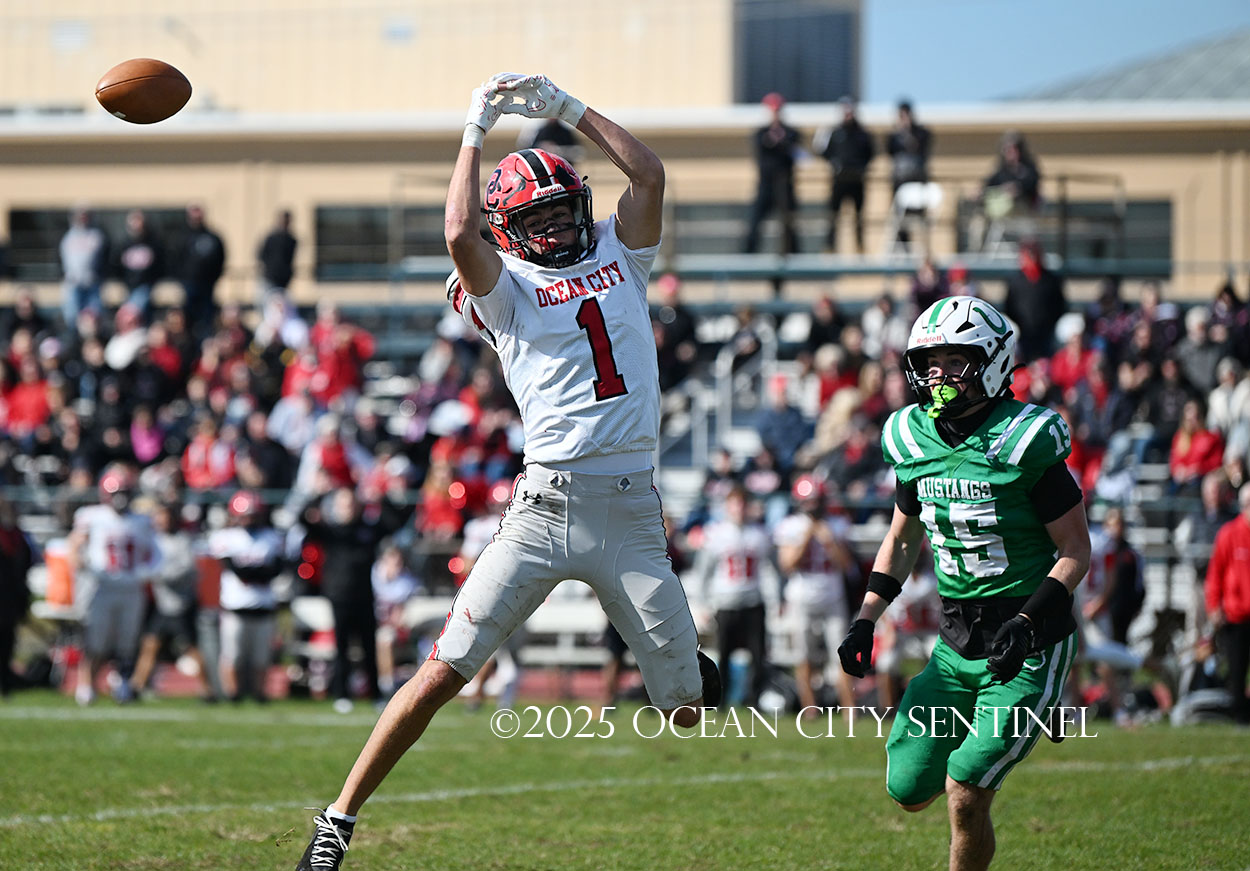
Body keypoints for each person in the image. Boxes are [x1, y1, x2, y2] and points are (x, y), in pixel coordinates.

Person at [296, 71, 717, 871]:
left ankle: (688, 668)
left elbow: (649, 173)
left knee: (687, 710)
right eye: (537, 218)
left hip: (633, 513)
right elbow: (459, 231)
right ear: (508, 232)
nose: (555, 227)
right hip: (545, 510)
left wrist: (567, 108)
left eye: (562, 210)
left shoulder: (622, 254)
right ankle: (338, 818)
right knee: (444, 670)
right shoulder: (506, 290)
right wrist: (474, 128)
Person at [838, 296, 1090, 871]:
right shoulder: (910, 435)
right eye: (930, 362)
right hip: (955, 643)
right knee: (908, 791)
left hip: (1030, 639)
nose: (939, 375)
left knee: (965, 790)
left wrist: (1027, 623)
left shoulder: (1025, 436)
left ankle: (1035, 703)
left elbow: (1076, 550)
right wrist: (865, 619)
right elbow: (903, 539)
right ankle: (1017, 721)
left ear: (994, 363)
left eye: (956, 360)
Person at [301, 484, 413, 713]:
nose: (348, 508)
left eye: (351, 503)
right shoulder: (331, 531)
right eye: (343, 503)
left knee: (369, 646)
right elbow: (303, 519)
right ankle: (342, 694)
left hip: (364, 596)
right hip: (339, 597)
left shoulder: (368, 530)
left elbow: (396, 522)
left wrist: (381, 498)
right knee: (341, 647)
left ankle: (375, 694)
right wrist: (319, 493)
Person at [70, 465, 161, 705]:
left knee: (127, 641)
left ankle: (121, 682)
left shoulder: (141, 520)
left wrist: (146, 572)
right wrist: (80, 560)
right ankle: (87, 684)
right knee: (96, 639)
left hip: (131, 587)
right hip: (102, 586)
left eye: (124, 492)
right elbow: (75, 544)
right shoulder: (91, 516)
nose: (120, 498)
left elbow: (155, 552)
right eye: (116, 493)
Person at [775, 474, 858, 715]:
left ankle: (849, 710)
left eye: (816, 500)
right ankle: (809, 710)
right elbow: (787, 564)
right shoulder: (791, 525)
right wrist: (807, 537)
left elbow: (847, 566)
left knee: (841, 654)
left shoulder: (837, 524)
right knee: (803, 656)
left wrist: (829, 541)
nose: (813, 506)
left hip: (833, 596)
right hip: (801, 597)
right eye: (809, 501)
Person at [693, 484, 775, 708]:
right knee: (724, 654)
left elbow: (770, 570)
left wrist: (775, 600)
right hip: (726, 602)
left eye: (743, 504)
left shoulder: (760, 533)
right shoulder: (716, 533)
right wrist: (702, 603)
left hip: (753, 601)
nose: (739, 509)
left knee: (757, 655)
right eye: (735, 504)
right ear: (727, 506)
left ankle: (754, 700)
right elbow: (703, 571)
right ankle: (721, 701)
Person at [208, 490, 285, 703]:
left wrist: (253, 572)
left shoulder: (272, 537)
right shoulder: (226, 537)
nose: (248, 520)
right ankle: (233, 694)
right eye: (245, 516)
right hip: (235, 607)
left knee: (261, 656)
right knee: (232, 655)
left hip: (263, 606)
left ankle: (260, 694)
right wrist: (257, 572)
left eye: (252, 515)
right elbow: (235, 569)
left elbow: (276, 569)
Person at [130, 502, 213, 700]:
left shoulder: (182, 540)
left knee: (191, 648)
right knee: (150, 645)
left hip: (181, 604)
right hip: (161, 604)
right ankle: (136, 686)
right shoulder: (153, 540)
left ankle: (207, 690)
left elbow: (188, 569)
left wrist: (161, 575)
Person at [1205, 484, 1250, 723]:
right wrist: (1214, 606)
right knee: (1236, 669)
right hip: (1236, 614)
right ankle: (1240, 716)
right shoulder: (1229, 533)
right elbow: (1215, 574)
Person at [742, 92, 800, 256]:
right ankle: (748, 252)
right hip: (766, 182)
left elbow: (794, 150)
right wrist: (773, 141)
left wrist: (781, 141)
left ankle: (791, 252)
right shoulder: (761, 133)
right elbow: (762, 147)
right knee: (756, 218)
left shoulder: (791, 133)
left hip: (784, 182)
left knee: (788, 219)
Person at [816, 96, 875, 254]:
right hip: (839, 179)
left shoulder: (863, 134)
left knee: (859, 216)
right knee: (833, 214)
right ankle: (830, 246)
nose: (848, 114)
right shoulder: (835, 132)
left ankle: (860, 247)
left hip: (857, 180)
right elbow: (824, 152)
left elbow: (870, 154)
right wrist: (835, 164)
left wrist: (861, 167)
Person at [0, 497, 37, 698]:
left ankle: (6, 681)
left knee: (8, 640)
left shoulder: (17, 535)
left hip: (11, 596)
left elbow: (27, 561)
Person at [178, 204, 226, 338]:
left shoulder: (212, 237)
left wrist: (214, 277)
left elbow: (221, 259)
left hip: (207, 284)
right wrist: (182, 279)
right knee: (188, 318)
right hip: (189, 284)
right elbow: (176, 259)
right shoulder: (183, 237)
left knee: (207, 318)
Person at [59, 205, 109, 330]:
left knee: (95, 316)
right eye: (79, 215)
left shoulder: (97, 236)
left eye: (85, 215)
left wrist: (99, 275)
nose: (82, 218)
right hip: (73, 283)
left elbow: (105, 258)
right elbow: (60, 259)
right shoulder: (67, 237)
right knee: (72, 316)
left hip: (92, 283)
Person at [113, 209, 164, 320]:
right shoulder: (124, 244)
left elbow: (161, 265)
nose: (136, 224)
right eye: (134, 221)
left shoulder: (153, 243)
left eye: (139, 221)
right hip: (128, 286)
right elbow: (116, 265)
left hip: (146, 285)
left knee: (133, 311)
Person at [886, 99, 933, 193]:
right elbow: (891, 152)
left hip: (917, 176)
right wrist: (900, 132)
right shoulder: (894, 136)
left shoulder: (921, 133)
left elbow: (921, 148)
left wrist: (908, 133)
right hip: (900, 178)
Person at [258, 209, 298, 300]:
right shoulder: (271, 238)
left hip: (284, 280)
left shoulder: (291, 240)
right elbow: (262, 255)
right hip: (270, 277)